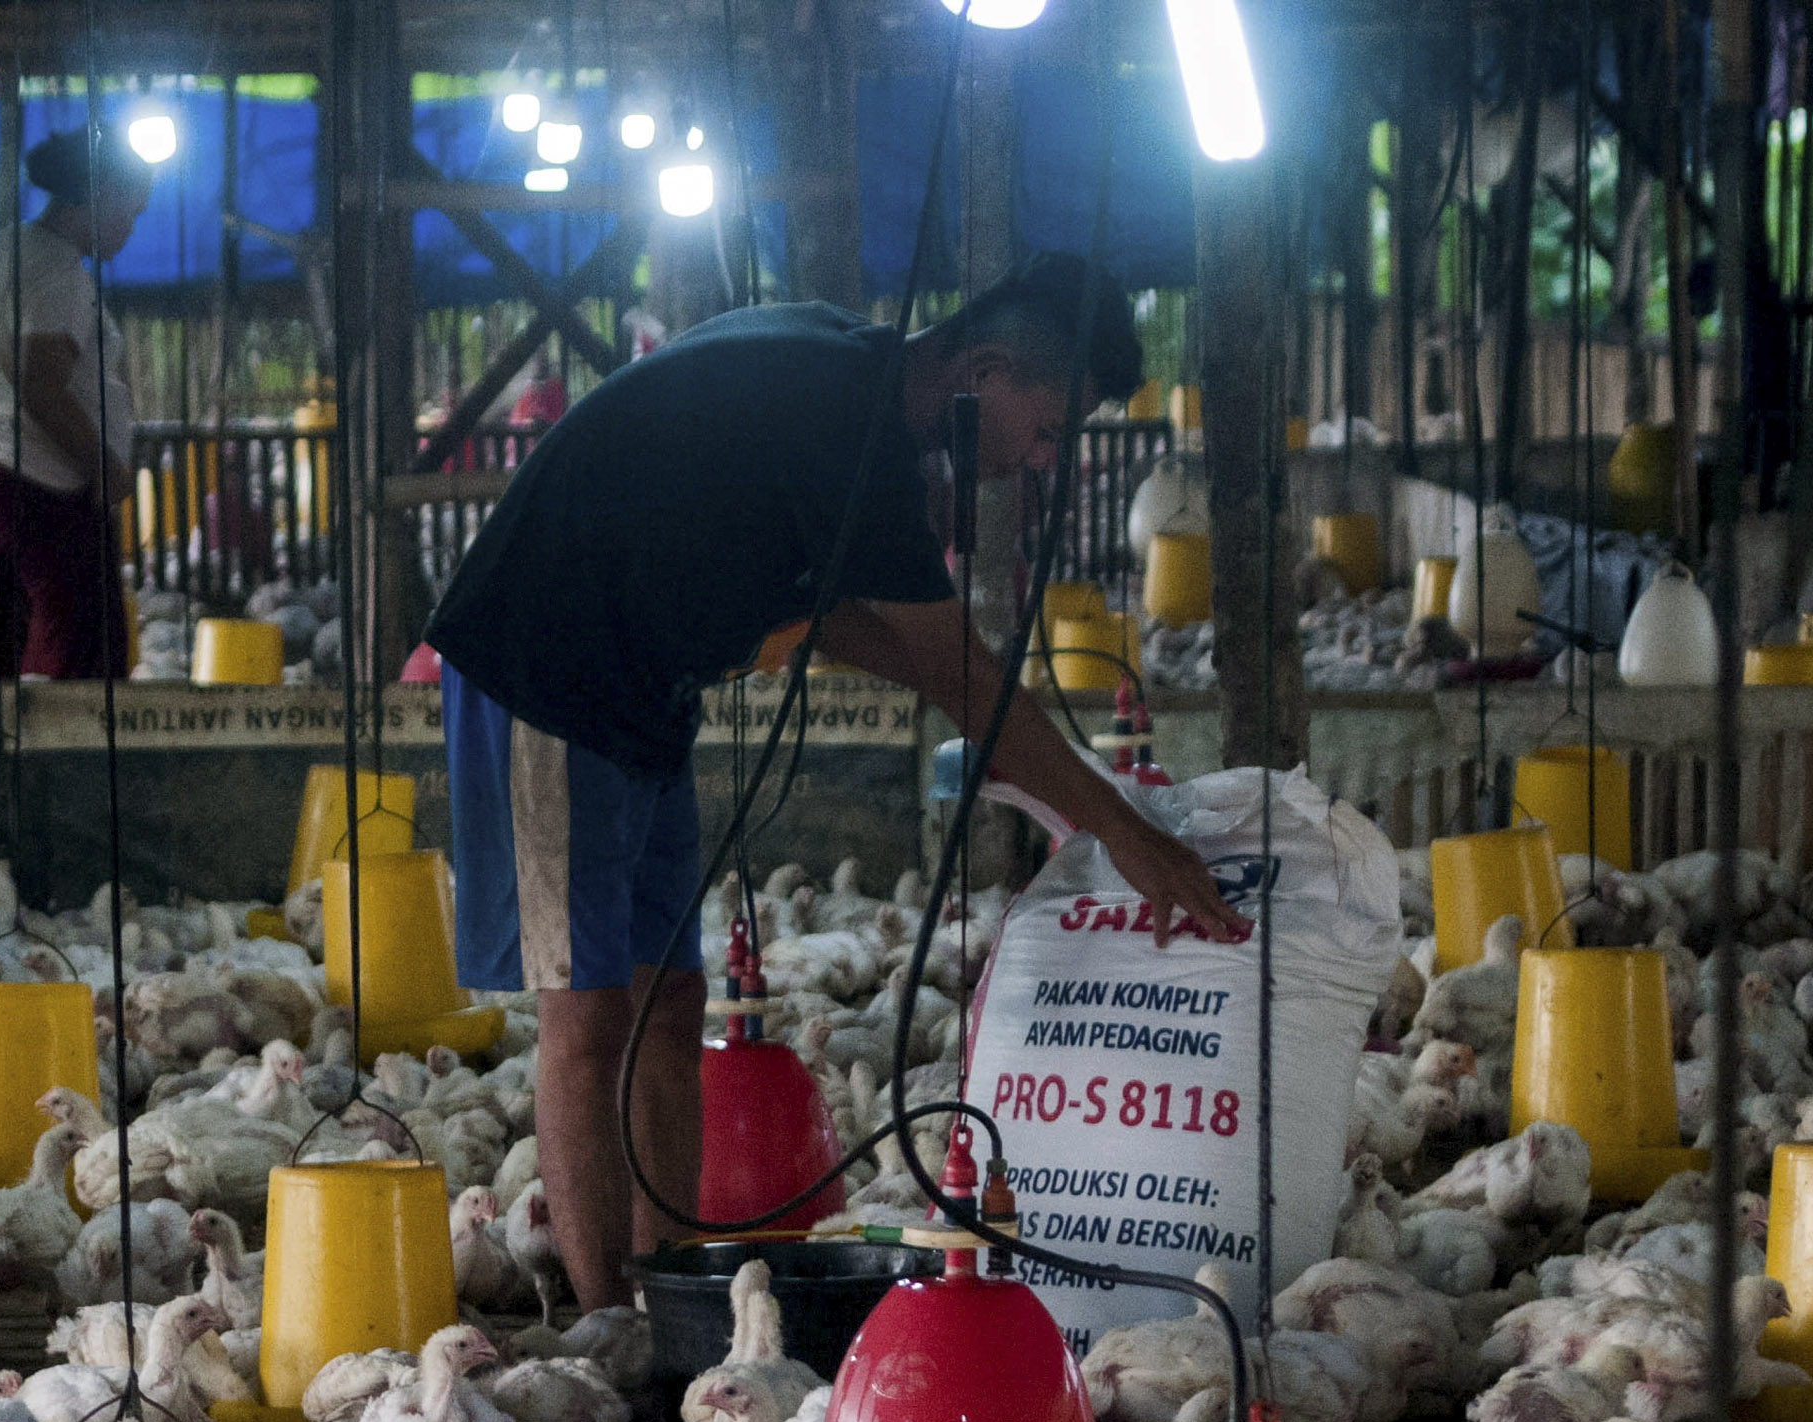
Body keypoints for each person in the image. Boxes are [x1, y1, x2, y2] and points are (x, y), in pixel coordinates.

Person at [426, 253, 1247, 1317]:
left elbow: (862, 629)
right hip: (544, 662)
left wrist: (1039, 769)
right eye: (1045, 431)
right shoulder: (842, 417)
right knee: (587, 1019)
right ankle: (605, 1335)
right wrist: (1121, 826)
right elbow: (958, 668)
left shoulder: (849, 381)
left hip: (643, 690)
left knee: (671, 1003)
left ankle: (669, 1287)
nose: (1040, 462)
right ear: (986, 370)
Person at [0, 128, 152, 679]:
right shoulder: (58, 274)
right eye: (129, 212)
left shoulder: (0, 254)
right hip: (42, 489)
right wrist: (104, 467)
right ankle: (82, 762)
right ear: (95, 199)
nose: (130, 228)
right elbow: (42, 383)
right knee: (88, 649)